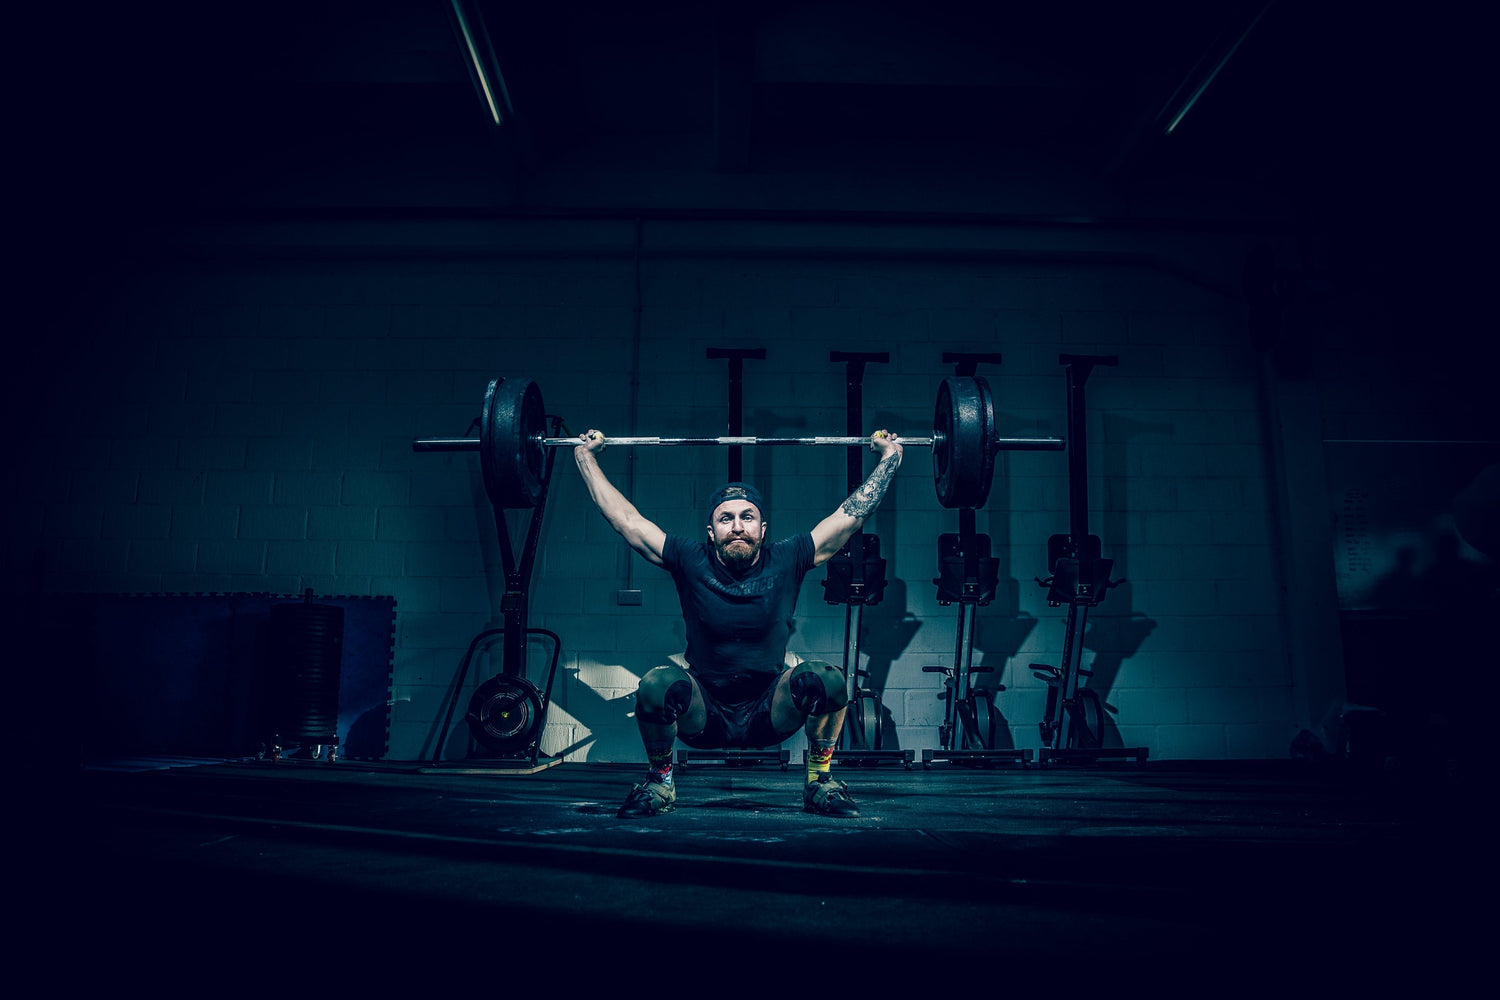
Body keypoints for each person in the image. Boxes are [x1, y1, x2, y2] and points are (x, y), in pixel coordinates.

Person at [573, 428, 905, 818]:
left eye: (747, 517)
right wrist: (585, 457)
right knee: (655, 685)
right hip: (704, 712)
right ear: (710, 531)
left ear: (763, 530)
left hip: (771, 709)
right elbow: (626, 520)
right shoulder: (688, 558)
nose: (737, 525)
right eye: (726, 518)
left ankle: (820, 782)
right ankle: (660, 783)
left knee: (829, 679)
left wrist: (890, 458)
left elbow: (851, 516)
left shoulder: (789, 557)